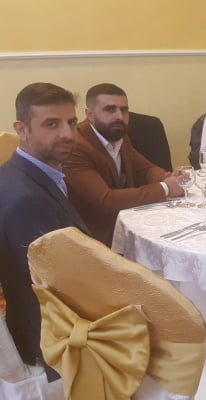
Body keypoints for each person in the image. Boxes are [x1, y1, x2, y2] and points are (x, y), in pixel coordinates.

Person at [0, 82, 90, 381]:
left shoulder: (17, 173)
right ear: (21, 129)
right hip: (55, 340)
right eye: (52, 124)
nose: (68, 134)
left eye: (71, 122)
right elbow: (59, 288)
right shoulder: (27, 198)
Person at [63, 83, 183, 246]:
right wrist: (165, 188)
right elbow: (106, 201)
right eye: (110, 109)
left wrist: (168, 178)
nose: (119, 116)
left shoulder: (118, 135)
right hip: (95, 238)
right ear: (90, 114)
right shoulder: (76, 146)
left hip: (127, 221)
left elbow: (145, 169)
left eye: (124, 110)